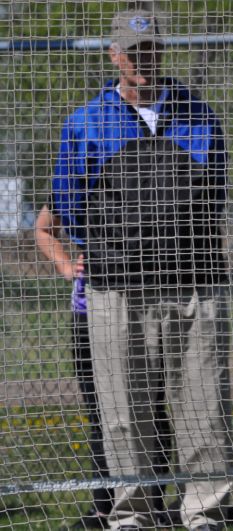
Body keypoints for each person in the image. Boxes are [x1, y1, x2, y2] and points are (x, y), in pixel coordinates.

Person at [47, 9, 233, 530]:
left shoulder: (199, 114)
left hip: (192, 280)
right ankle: (132, 513)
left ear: (162, 51)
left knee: (202, 401)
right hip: (115, 286)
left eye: (151, 48)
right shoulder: (86, 122)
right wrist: (95, 252)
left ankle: (204, 511)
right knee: (122, 405)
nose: (142, 59)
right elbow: (69, 201)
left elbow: (213, 195)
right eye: (132, 50)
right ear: (114, 55)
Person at [35, 205, 175, 530]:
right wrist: (68, 267)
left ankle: (150, 507)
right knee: (101, 411)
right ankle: (104, 508)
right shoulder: (81, 170)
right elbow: (44, 229)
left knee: (150, 408)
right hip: (90, 315)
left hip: (148, 308)